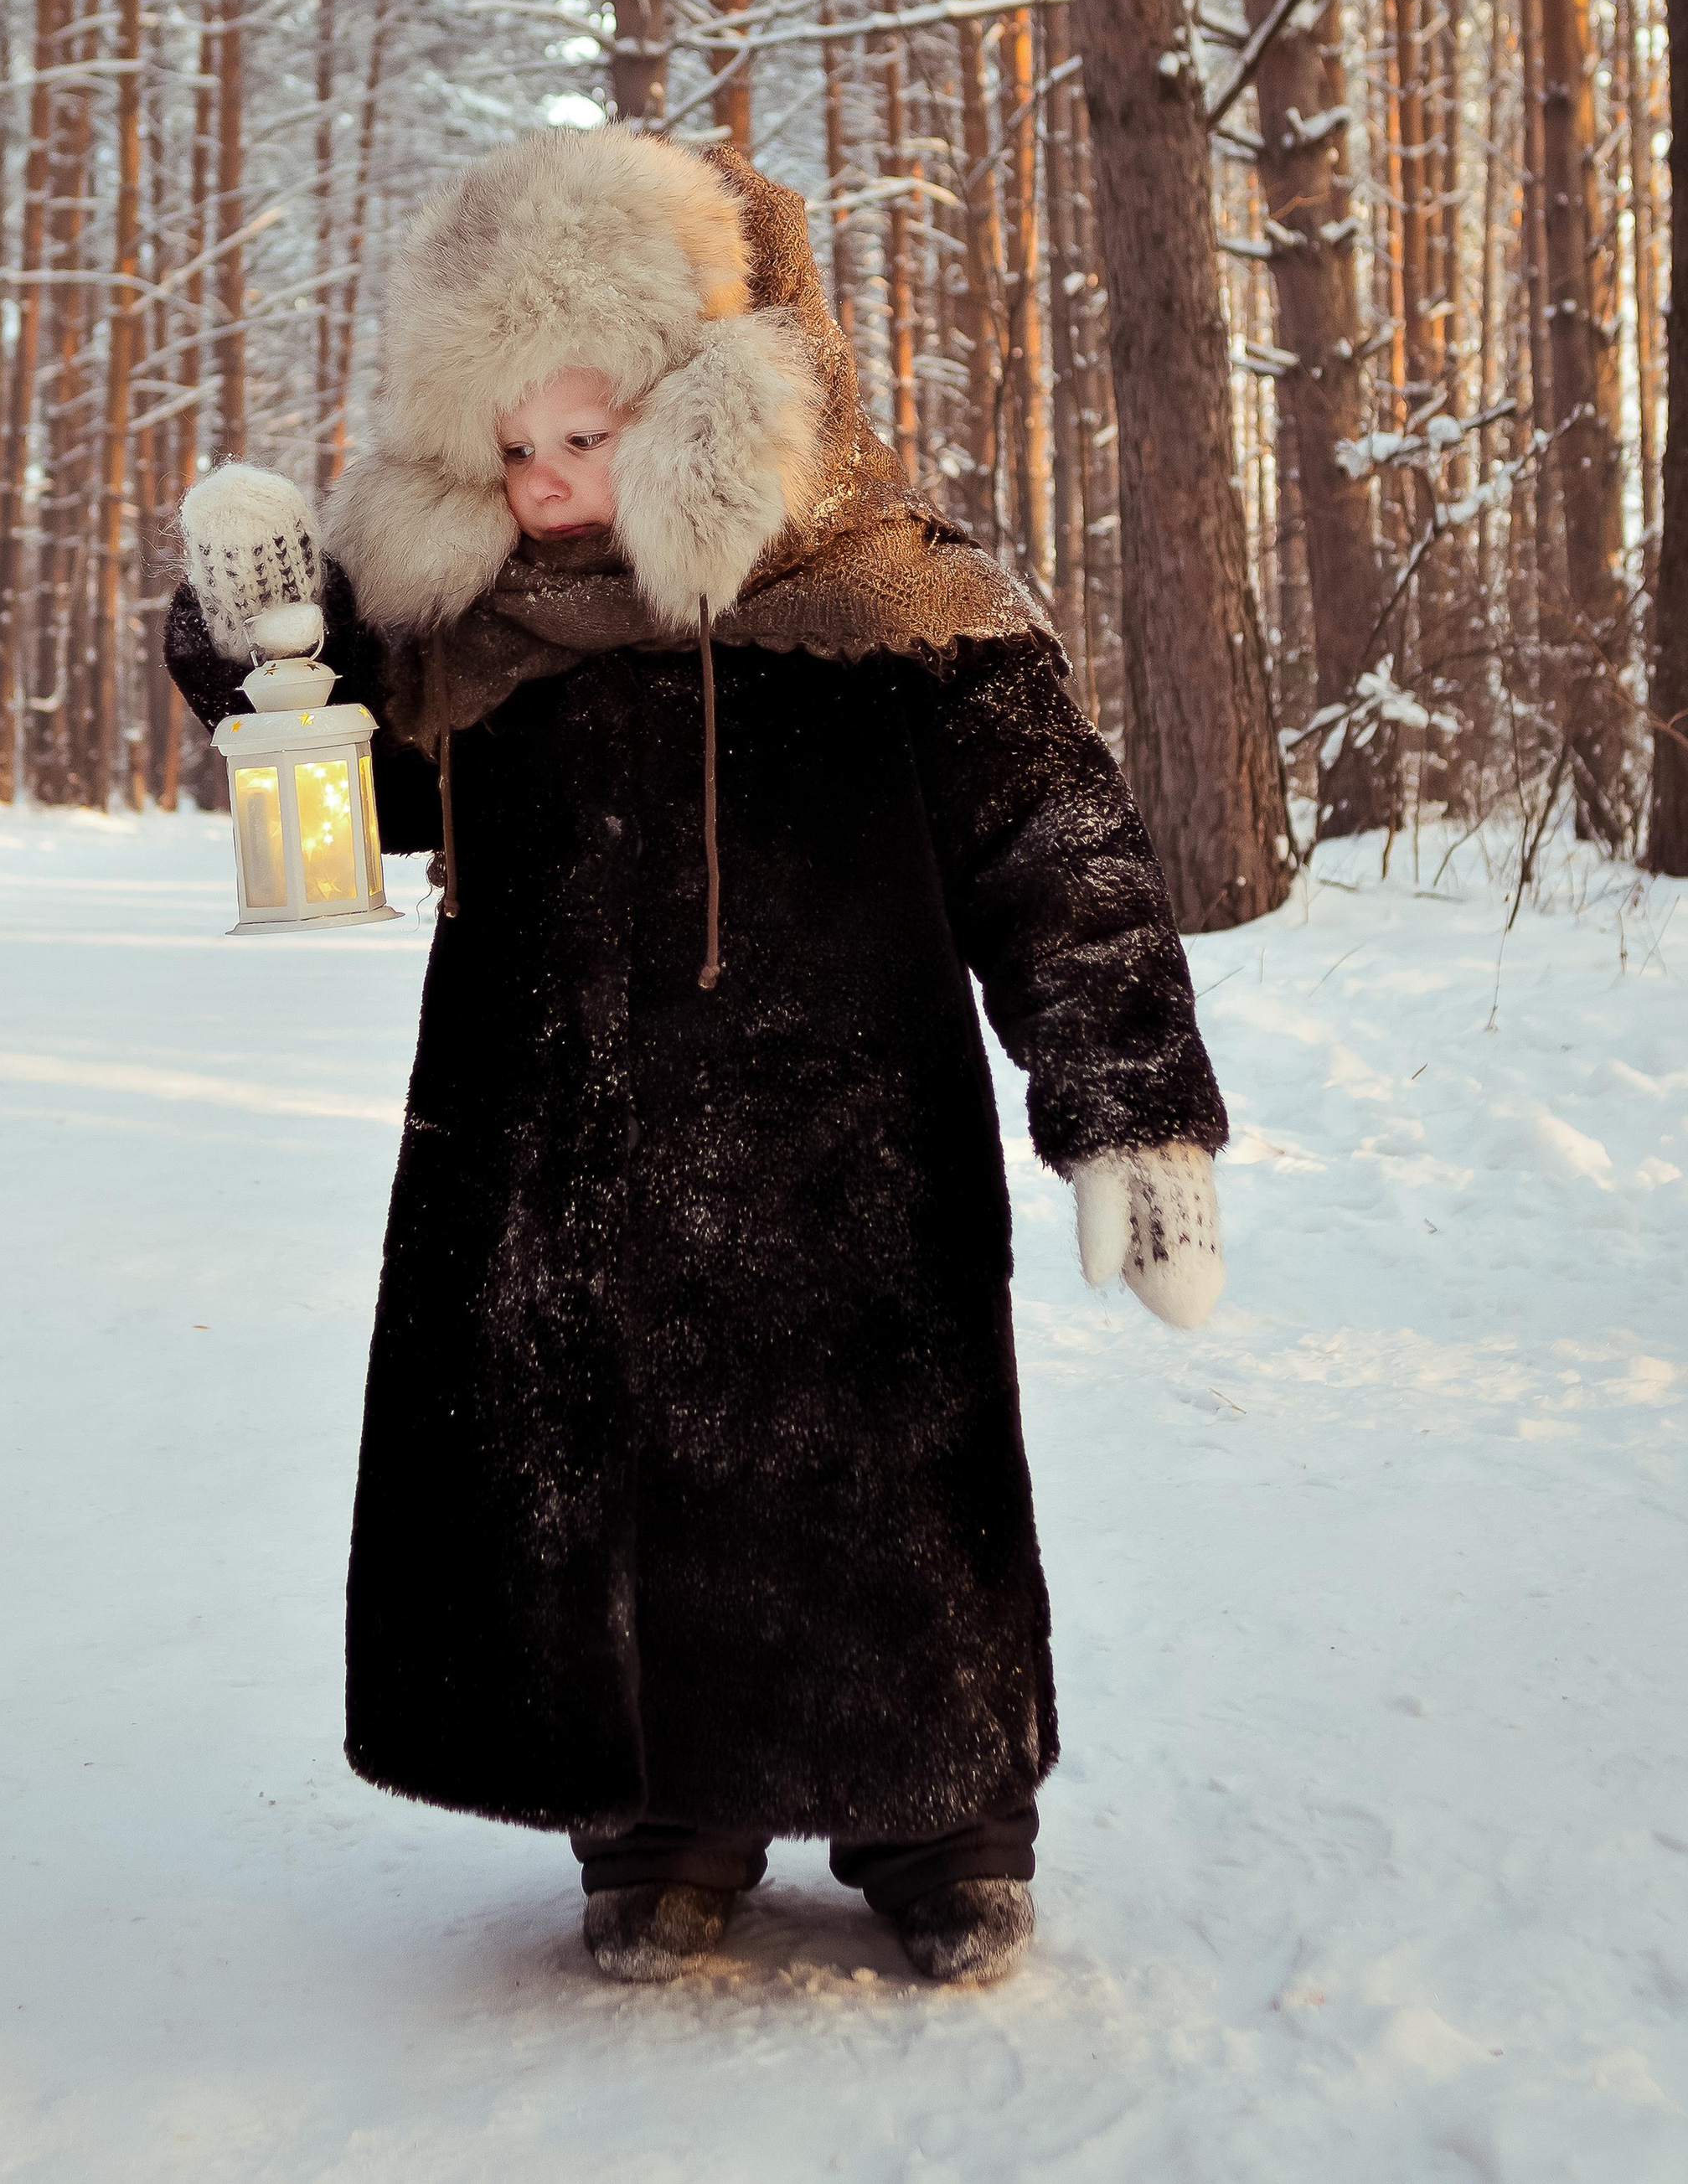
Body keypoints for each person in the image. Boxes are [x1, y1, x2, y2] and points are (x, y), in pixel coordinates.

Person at [164, 126, 1227, 1989]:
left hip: (845, 1154)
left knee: (876, 1490)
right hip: (544, 1151)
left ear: (705, 397)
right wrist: (269, 651)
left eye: (587, 434)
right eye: (509, 449)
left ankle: (937, 1827)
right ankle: (657, 1833)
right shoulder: (482, 638)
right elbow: (361, 804)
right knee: (595, 1498)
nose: (550, 482)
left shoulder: (894, 601)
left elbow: (1054, 851)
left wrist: (1126, 1105)